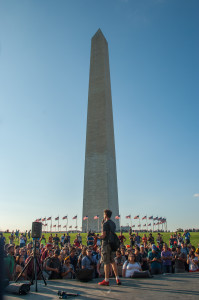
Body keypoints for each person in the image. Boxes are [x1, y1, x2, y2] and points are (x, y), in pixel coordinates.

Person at [98, 209, 121, 286]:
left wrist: (98, 237)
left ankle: (106, 280)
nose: (103, 216)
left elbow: (104, 235)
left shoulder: (105, 223)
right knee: (113, 261)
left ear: (105, 215)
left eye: (104, 214)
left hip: (106, 244)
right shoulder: (113, 223)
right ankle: (117, 278)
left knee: (106, 262)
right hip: (112, 244)